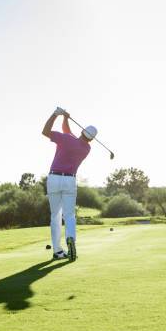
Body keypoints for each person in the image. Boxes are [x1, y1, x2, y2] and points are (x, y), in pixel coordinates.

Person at [42, 107, 97, 261]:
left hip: (54, 179)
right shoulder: (86, 148)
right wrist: (65, 119)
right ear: (91, 139)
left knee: (55, 216)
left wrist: (56, 114)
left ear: (81, 132)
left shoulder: (66, 139)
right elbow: (67, 131)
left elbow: (45, 131)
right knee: (69, 215)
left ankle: (58, 251)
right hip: (69, 180)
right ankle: (70, 238)